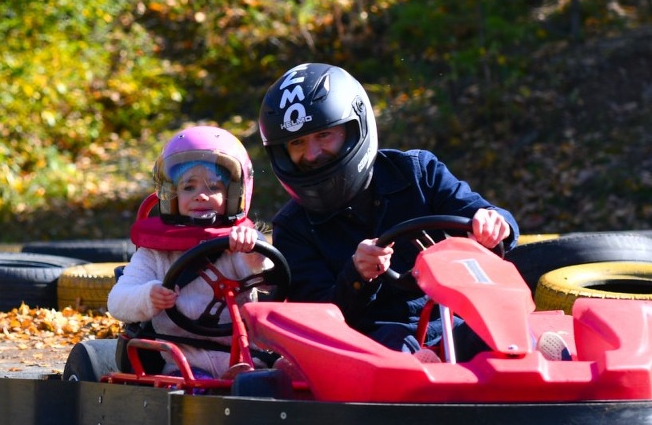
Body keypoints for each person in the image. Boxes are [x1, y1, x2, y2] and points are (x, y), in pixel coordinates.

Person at [257, 62, 519, 361]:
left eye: (324, 135)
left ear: (354, 127)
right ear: (282, 153)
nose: (313, 154)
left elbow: (489, 218)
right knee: (393, 344)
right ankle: (418, 374)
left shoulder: (417, 173)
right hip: (367, 344)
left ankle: (536, 368)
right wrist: (356, 275)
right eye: (297, 142)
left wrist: (495, 224)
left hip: (450, 322)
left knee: (490, 334)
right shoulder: (293, 227)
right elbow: (317, 319)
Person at [108, 125, 271, 378]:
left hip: (247, 359)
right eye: (188, 187)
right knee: (198, 389)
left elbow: (270, 280)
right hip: (183, 366)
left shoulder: (241, 243)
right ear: (171, 195)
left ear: (235, 193)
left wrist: (252, 251)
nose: (201, 196)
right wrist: (149, 296)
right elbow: (117, 302)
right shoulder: (156, 253)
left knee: (278, 377)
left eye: (214, 187)